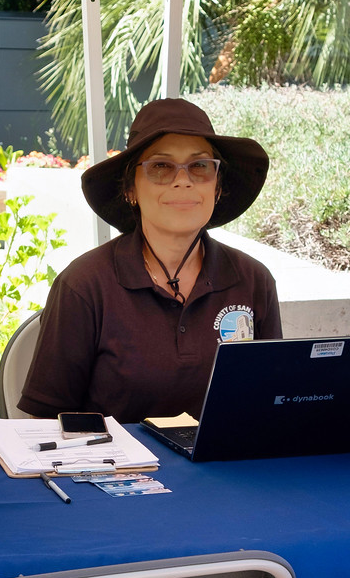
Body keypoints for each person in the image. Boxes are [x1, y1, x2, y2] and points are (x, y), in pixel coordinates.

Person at [18, 98, 282, 421]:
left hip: (227, 470)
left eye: (199, 166)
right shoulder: (84, 286)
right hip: (110, 471)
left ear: (217, 186)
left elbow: (272, 405)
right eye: (161, 167)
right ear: (130, 188)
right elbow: (43, 426)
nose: (182, 180)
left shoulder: (254, 281)